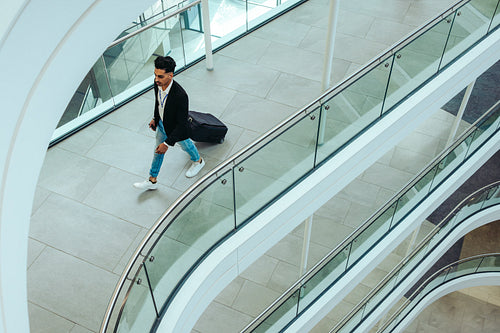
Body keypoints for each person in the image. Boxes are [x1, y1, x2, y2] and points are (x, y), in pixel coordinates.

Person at [134, 56, 205, 190]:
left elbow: (182, 124)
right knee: (157, 151)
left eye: (160, 76)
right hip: (162, 124)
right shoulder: (157, 84)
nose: (156, 79)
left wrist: (167, 144)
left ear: (170, 75)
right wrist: (155, 118)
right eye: (155, 75)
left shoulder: (181, 96)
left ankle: (198, 161)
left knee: (186, 146)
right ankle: (152, 180)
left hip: (176, 129)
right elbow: (158, 102)